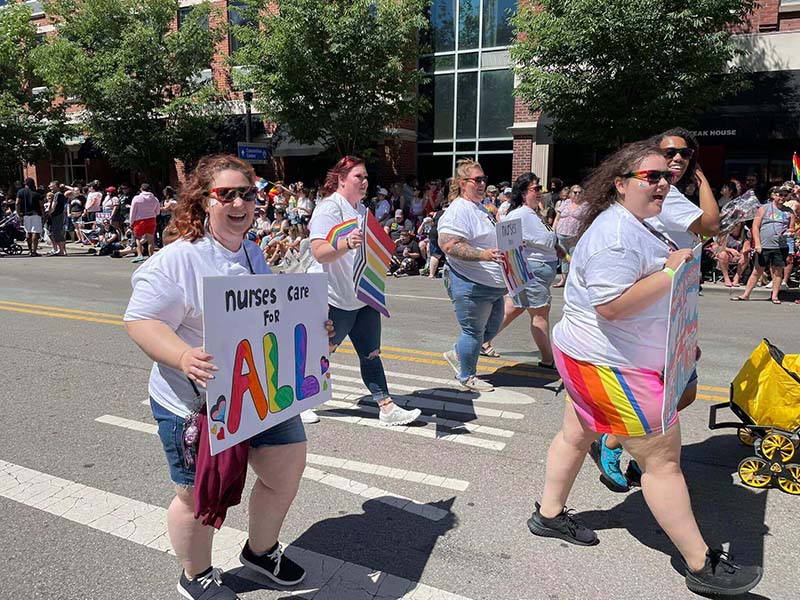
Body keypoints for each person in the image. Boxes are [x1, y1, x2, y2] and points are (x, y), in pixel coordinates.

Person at [527, 140, 762, 597]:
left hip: (599, 355)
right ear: (620, 184)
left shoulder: (643, 223)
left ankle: (549, 515)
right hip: (610, 364)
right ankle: (702, 564)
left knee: (576, 434)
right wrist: (670, 273)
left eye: (666, 177)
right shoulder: (615, 236)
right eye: (650, 177)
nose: (661, 183)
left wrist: (678, 342)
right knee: (662, 460)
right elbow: (612, 306)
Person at [125, 154, 318, 600]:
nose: (238, 203)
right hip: (195, 403)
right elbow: (141, 321)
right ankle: (195, 575)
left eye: (246, 194)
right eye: (224, 194)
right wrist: (183, 355)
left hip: (259, 391)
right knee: (198, 496)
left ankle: (260, 550)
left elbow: (263, 313)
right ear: (203, 202)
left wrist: (306, 327)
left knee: (286, 466)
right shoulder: (177, 260)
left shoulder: (252, 250)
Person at [591, 128, 720, 491]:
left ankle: (621, 444)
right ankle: (623, 447)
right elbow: (712, 224)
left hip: (675, 306)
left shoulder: (670, 195)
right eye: (669, 154)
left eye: (685, 154)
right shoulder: (667, 194)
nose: (677, 159)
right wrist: (703, 178)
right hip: (658, 309)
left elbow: (702, 235)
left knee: (681, 390)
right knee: (668, 391)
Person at [309, 156, 421, 426]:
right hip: (336, 298)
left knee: (371, 353)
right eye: (359, 176)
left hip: (364, 295)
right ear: (341, 179)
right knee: (322, 353)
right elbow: (319, 253)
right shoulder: (328, 209)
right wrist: (347, 243)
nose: (364, 182)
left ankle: (386, 406)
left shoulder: (361, 210)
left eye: (366, 177)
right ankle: (301, 401)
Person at [438, 159, 506, 392]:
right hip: (471, 283)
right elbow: (449, 245)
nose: (482, 183)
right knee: (473, 332)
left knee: (493, 327)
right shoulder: (458, 210)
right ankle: (467, 376)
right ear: (461, 183)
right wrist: (483, 254)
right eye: (476, 180)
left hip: (493, 285)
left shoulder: (481, 207)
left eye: (483, 179)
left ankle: (458, 353)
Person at [483, 172, 560, 367]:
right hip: (531, 272)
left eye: (540, 188)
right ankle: (548, 359)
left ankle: (482, 341)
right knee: (540, 314)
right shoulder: (519, 214)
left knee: (513, 308)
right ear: (524, 192)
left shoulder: (533, 214)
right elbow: (507, 245)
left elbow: (547, 239)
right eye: (536, 189)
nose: (540, 192)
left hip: (537, 271)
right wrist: (515, 276)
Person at [732, 185, 796, 304]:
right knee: (757, 270)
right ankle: (746, 294)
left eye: (784, 195)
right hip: (764, 245)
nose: (782, 197)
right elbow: (755, 226)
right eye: (779, 195)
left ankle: (775, 296)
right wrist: (757, 243)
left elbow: (791, 229)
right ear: (774, 196)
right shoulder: (764, 208)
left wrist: (789, 234)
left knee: (778, 272)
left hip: (780, 246)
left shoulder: (789, 212)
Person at [552, 184, 586, 288]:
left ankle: (574, 281)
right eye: (575, 192)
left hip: (574, 236)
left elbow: (587, 222)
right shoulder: (565, 203)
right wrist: (552, 231)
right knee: (563, 259)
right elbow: (557, 218)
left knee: (573, 259)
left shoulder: (585, 205)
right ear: (570, 194)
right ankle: (563, 280)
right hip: (561, 234)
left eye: (579, 192)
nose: (577, 194)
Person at [129, 183, 161, 263]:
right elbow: (157, 211)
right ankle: (151, 256)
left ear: (141, 189)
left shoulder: (137, 198)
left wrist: (131, 222)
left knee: (137, 238)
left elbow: (133, 211)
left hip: (139, 220)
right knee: (150, 239)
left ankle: (140, 255)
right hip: (151, 219)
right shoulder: (155, 199)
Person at [715, 222, 751, 287]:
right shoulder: (725, 231)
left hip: (738, 253)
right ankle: (726, 278)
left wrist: (742, 252)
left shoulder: (745, 232)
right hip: (726, 252)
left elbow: (746, 246)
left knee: (746, 255)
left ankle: (737, 278)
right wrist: (730, 250)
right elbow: (719, 246)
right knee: (722, 254)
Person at [16, 177, 44, 256]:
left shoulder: (20, 192)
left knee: (28, 232)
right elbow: (41, 205)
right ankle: (34, 251)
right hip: (36, 214)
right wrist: (43, 215)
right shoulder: (37, 193)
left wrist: (18, 214)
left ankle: (30, 250)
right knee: (36, 232)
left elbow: (17, 203)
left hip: (25, 214)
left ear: (25, 184)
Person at [46, 181, 68, 256]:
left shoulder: (57, 195)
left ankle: (61, 251)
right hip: (59, 215)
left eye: (51, 185)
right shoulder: (60, 194)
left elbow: (53, 206)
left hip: (57, 215)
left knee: (57, 232)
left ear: (56, 186)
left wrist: (48, 213)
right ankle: (62, 250)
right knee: (57, 232)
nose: (49, 186)